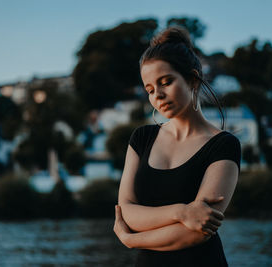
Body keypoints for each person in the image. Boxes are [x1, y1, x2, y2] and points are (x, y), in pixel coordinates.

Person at [113, 26, 241, 267]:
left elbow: (199, 231)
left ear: (192, 79)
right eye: (150, 89)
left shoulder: (224, 145)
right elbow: (128, 211)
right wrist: (181, 212)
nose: (157, 95)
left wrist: (132, 240)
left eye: (166, 82)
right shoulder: (142, 139)